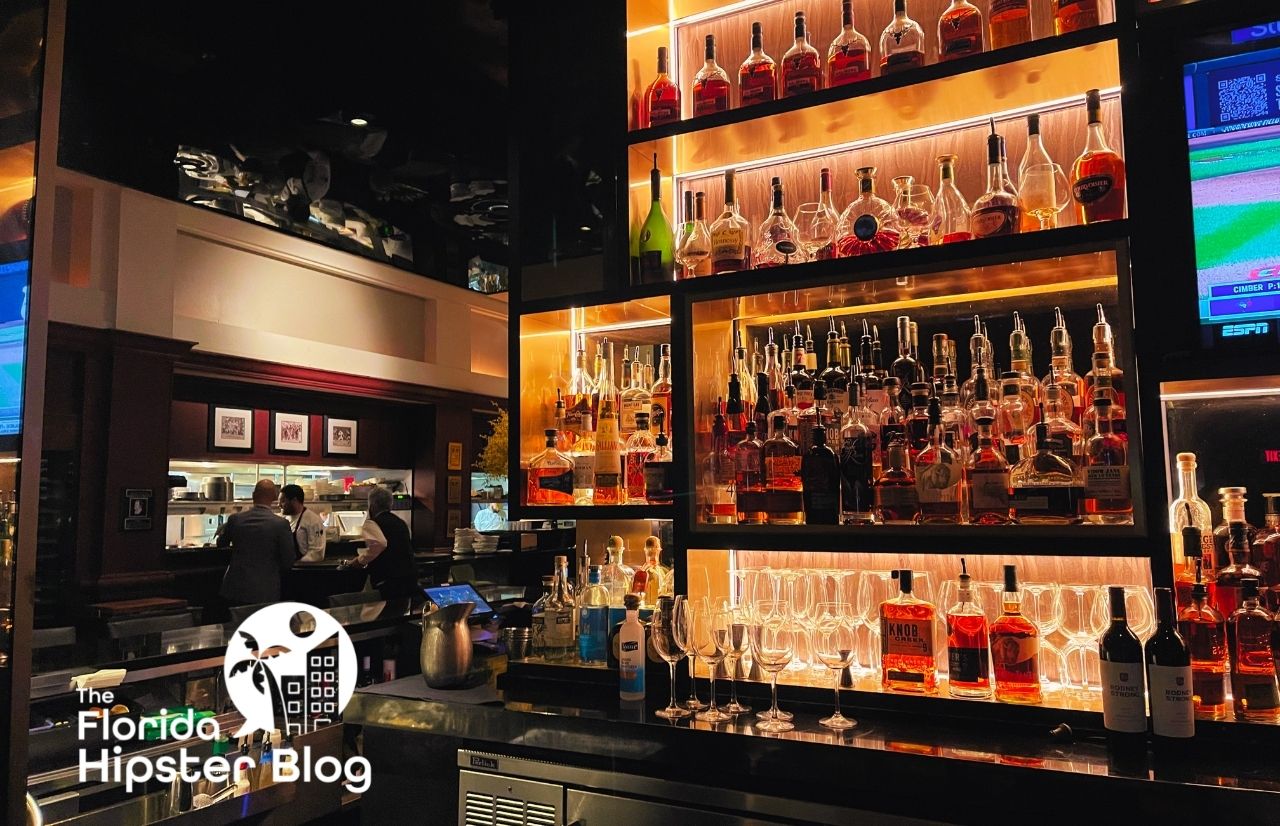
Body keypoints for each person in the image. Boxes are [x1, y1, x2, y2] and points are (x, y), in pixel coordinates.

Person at [217, 480, 296, 606]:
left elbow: (221, 544)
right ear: (274, 498)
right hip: (265, 590)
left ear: (253, 495)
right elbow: (288, 560)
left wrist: (223, 530)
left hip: (235, 587)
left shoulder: (235, 519)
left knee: (236, 624)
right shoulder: (281, 524)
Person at [343, 486, 418, 600]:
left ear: (372, 506)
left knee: (382, 612)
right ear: (390, 505)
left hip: (388, 580)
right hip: (409, 578)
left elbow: (380, 544)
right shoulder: (401, 523)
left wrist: (359, 561)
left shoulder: (372, 523)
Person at [279, 484, 327, 563]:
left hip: (305, 570)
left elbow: (317, 554)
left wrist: (298, 564)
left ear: (294, 500)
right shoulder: (284, 518)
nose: (279, 505)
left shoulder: (313, 520)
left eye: (283, 501)